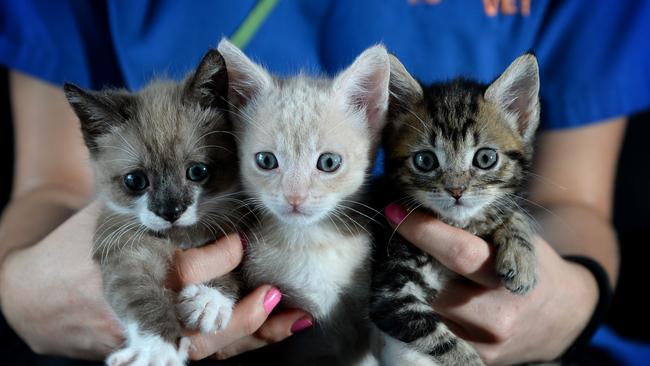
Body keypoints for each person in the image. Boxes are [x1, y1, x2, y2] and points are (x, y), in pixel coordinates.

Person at [0, 1, 648, 364]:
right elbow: (49, 185)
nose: (297, 195)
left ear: (373, 117)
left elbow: (572, 201)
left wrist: (577, 295)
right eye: (270, 167)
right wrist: (14, 285)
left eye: (329, 168)